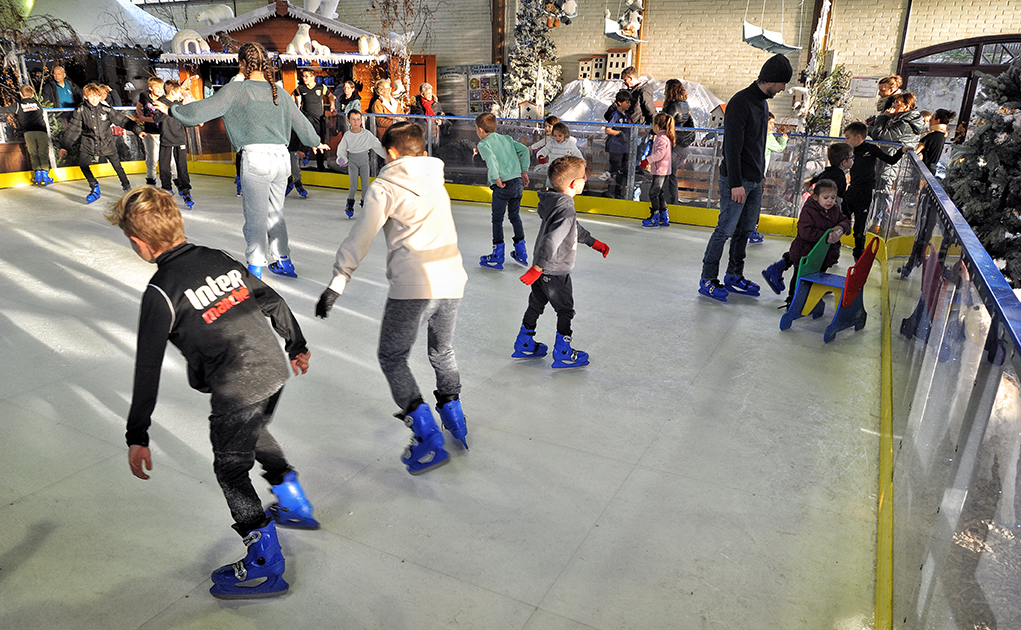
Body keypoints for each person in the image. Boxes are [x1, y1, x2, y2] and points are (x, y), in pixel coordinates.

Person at [105, 186, 318, 600]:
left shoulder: (161, 291)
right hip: (273, 369)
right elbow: (270, 299)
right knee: (253, 431)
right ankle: (292, 500)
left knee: (230, 469)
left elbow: (146, 368)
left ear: (138, 244)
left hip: (236, 388)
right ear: (178, 223)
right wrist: (297, 344)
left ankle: (264, 562)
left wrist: (137, 434)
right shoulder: (218, 258)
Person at [314, 121, 469, 474]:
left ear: (392, 153)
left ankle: (427, 433)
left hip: (414, 287)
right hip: (451, 281)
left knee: (392, 356)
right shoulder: (436, 179)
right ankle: (453, 412)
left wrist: (337, 282)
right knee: (441, 349)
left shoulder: (384, 187)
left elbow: (361, 237)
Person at [158, 42, 329, 279]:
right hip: (281, 160)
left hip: (257, 158)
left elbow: (198, 113)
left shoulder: (236, 90)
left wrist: (171, 110)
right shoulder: (279, 92)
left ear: (242, 64)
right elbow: (302, 124)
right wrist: (316, 141)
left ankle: (255, 269)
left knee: (256, 217)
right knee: (275, 212)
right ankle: (284, 261)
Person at [698, 53, 792, 302]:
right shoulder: (741, 101)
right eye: (782, 84)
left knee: (745, 230)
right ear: (772, 80)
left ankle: (734, 275)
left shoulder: (762, 103)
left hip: (754, 180)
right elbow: (732, 147)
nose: (783, 89)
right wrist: (736, 182)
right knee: (725, 230)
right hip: (736, 181)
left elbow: (758, 144)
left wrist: (759, 174)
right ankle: (707, 278)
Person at [513, 155, 610, 368]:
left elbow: (572, 228)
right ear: (574, 183)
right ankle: (563, 352)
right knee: (565, 310)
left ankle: (524, 342)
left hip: (545, 269)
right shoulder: (566, 208)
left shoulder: (556, 201)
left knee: (536, 304)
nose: (586, 179)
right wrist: (538, 267)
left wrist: (593, 242)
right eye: (585, 177)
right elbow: (553, 238)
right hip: (555, 270)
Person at [761, 179, 851, 306]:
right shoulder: (809, 210)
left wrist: (840, 228)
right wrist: (826, 236)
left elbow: (845, 220)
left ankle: (812, 296)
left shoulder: (835, 209)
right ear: (815, 197)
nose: (830, 200)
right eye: (826, 197)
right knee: (799, 275)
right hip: (805, 252)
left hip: (823, 254)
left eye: (833, 197)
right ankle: (792, 299)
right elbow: (805, 232)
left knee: (817, 274)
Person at [59, 83, 146, 204]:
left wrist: (138, 130)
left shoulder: (106, 110)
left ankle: (127, 188)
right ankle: (94, 186)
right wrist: (65, 146)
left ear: (100, 97)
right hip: (88, 143)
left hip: (106, 143)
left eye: (96, 96)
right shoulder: (81, 110)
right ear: (85, 97)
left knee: (117, 167)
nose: (94, 99)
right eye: (91, 96)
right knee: (83, 165)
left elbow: (122, 120)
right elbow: (74, 129)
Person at [475, 112, 531, 269]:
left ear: (480, 130)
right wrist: (524, 171)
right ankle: (522, 252)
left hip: (503, 185)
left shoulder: (484, 144)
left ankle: (497, 255)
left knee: (497, 220)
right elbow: (524, 150)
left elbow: (491, 160)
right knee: (515, 216)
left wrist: (496, 177)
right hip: (518, 183)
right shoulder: (506, 139)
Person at [842, 121, 905, 260]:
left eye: (848, 137)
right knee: (841, 213)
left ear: (858, 137)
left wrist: (901, 151)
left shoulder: (871, 149)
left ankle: (858, 256)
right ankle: (838, 238)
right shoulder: (849, 151)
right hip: (852, 189)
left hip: (866, 192)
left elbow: (891, 160)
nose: (846, 140)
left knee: (860, 228)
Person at [336, 110, 387, 218]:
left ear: (361, 121)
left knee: (365, 185)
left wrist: (387, 156)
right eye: (353, 119)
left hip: (364, 161)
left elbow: (377, 145)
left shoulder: (367, 134)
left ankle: (365, 204)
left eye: (358, 119)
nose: (356, 122)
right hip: (353, 161)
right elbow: (342, 149)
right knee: (353, 185)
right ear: (349, 121)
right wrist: (342, 158)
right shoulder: (347, 135)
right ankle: (349, 204)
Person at [0, 85, 54, 185]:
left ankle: (37, 176)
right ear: (33, 94)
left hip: (29, 132)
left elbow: (4, 110)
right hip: (41, 130)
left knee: (33, 153)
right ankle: (45, 175)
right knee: (43, 152)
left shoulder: (18, 105)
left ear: (20, 94)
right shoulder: (37, 103)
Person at [749, 112, 789, 244]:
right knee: (754, 203)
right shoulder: (767, 136)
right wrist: (784, 139)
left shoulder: (752, 132)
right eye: (770, 123)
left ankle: (741, 227)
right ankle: (751, 229)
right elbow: (779, 148)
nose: (773, 126)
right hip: (759, 174)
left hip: (749, 172)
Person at [152, 80, 193, 208]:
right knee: (164, 167)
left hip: (180, 139)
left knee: (182, 166)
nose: (180, 94)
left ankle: (185, 190)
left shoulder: (178, 104)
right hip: (166, 139)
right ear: (173, 92)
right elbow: (156, 118)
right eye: (179, 92)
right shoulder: (161, 102)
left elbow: (185, 120)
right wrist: (167, 110)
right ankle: (166, 189)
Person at [661, 79, 696, 206]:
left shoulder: (673, 106)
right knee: (671, 174)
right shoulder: (685, 104)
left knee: (669, 174)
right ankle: (670, 201)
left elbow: (664, 123)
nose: (664, 92)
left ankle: (670, 203)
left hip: (675, 144)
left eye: (666, 89)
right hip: (683, 144)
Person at [640, 112, 675, 227]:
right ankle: (664, 215)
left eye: (653, 124)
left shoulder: (662, 139)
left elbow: (660, 154)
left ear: (658, 125)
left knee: (653, 193)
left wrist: (647, 160)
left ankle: (655, 216)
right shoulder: (663, 137)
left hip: (661, 170)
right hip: (662, 170)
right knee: (659, 193)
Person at [292, 68, 331, 171]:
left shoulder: (320, 87)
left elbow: (331, 96)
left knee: (319, 141)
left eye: (306, 76)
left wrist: (333, 106)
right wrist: (294, 107)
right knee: (303, 139)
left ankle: (320, 167)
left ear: (313, 77)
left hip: (319, 118)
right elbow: (292, 95)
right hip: (306, 117)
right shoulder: (301, 88)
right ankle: (299, 165)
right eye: (303, 76)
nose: (304, 78)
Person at [535, 121, 583, 188]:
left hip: (565, 170)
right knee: (552, 186)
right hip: (553, 170)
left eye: (560, 136)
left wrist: (581, 165)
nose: (557, 138)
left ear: (565, 135)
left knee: (563, 186)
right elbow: (543, 151)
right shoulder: (551, 143)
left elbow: (578, 155)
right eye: (555, 136)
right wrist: (541, 156)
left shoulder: (570, 144)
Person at [136, 77, 165, 186]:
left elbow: (158, 118)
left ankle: (175, 180)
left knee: (169, 159)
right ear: (150, 88)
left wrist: (143, 118)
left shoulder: (164, 99)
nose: (160, 90)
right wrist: (138, 111)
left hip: (163, 132)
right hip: (150, 132)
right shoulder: (144, 95)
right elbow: (139, 103)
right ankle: (151, 180)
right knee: (151, 158)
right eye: (157, 87)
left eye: (161, 87)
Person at [603, 91, 632, 199]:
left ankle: (619, 191)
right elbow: (608, 129)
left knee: (623, 171)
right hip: (615, 148)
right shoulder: (615, 115)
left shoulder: (627, 115)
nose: (628, 104)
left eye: (629, 102)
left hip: (625, 148)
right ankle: (611, 192)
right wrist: (619, 133)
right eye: (626, 102)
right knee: (615, 171)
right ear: (620, 102)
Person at [916, 108, 954, 175]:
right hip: (931, 171)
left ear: (938, 121)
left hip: (922, 171)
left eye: (932, 118)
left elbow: (915, 151)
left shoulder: (931, 136)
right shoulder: (942, 136)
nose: (930, 121)